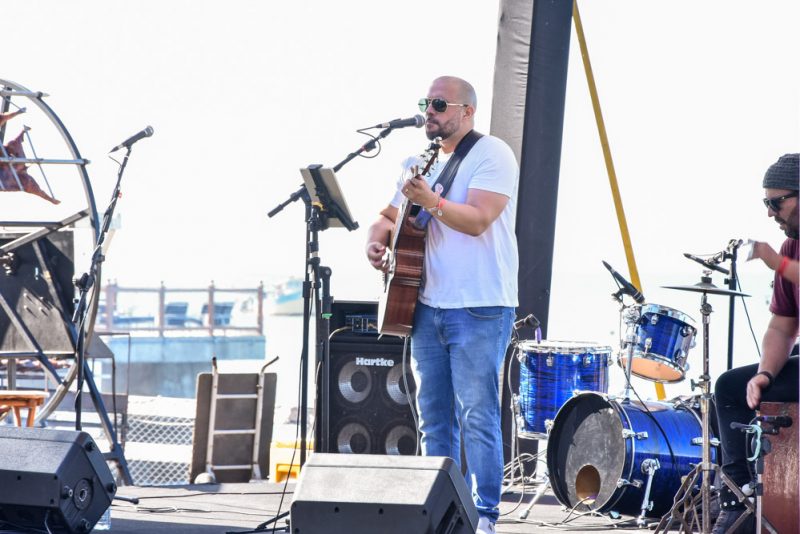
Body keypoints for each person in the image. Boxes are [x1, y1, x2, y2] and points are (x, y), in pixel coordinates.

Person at [365, 76, 519, 534]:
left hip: (479, 306)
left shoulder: (492, 154)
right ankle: (442, 512)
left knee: (478, 415)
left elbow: (477, 220)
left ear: (466, 112)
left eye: (438, 104)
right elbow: (389, 216)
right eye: (425, 103)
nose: (429, 111)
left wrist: (429, 200)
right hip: (426, 305)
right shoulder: (417, 162)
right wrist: (375, 242)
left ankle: (485, 515)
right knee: (434, 416)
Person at [713, 153, 799, 533]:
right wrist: (765, 373)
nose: (770, 214)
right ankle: (741, 502)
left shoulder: (782, 258)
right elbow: (782, 326)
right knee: (731, 387)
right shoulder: (791, 248)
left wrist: (774, 262)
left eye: (775, 202)